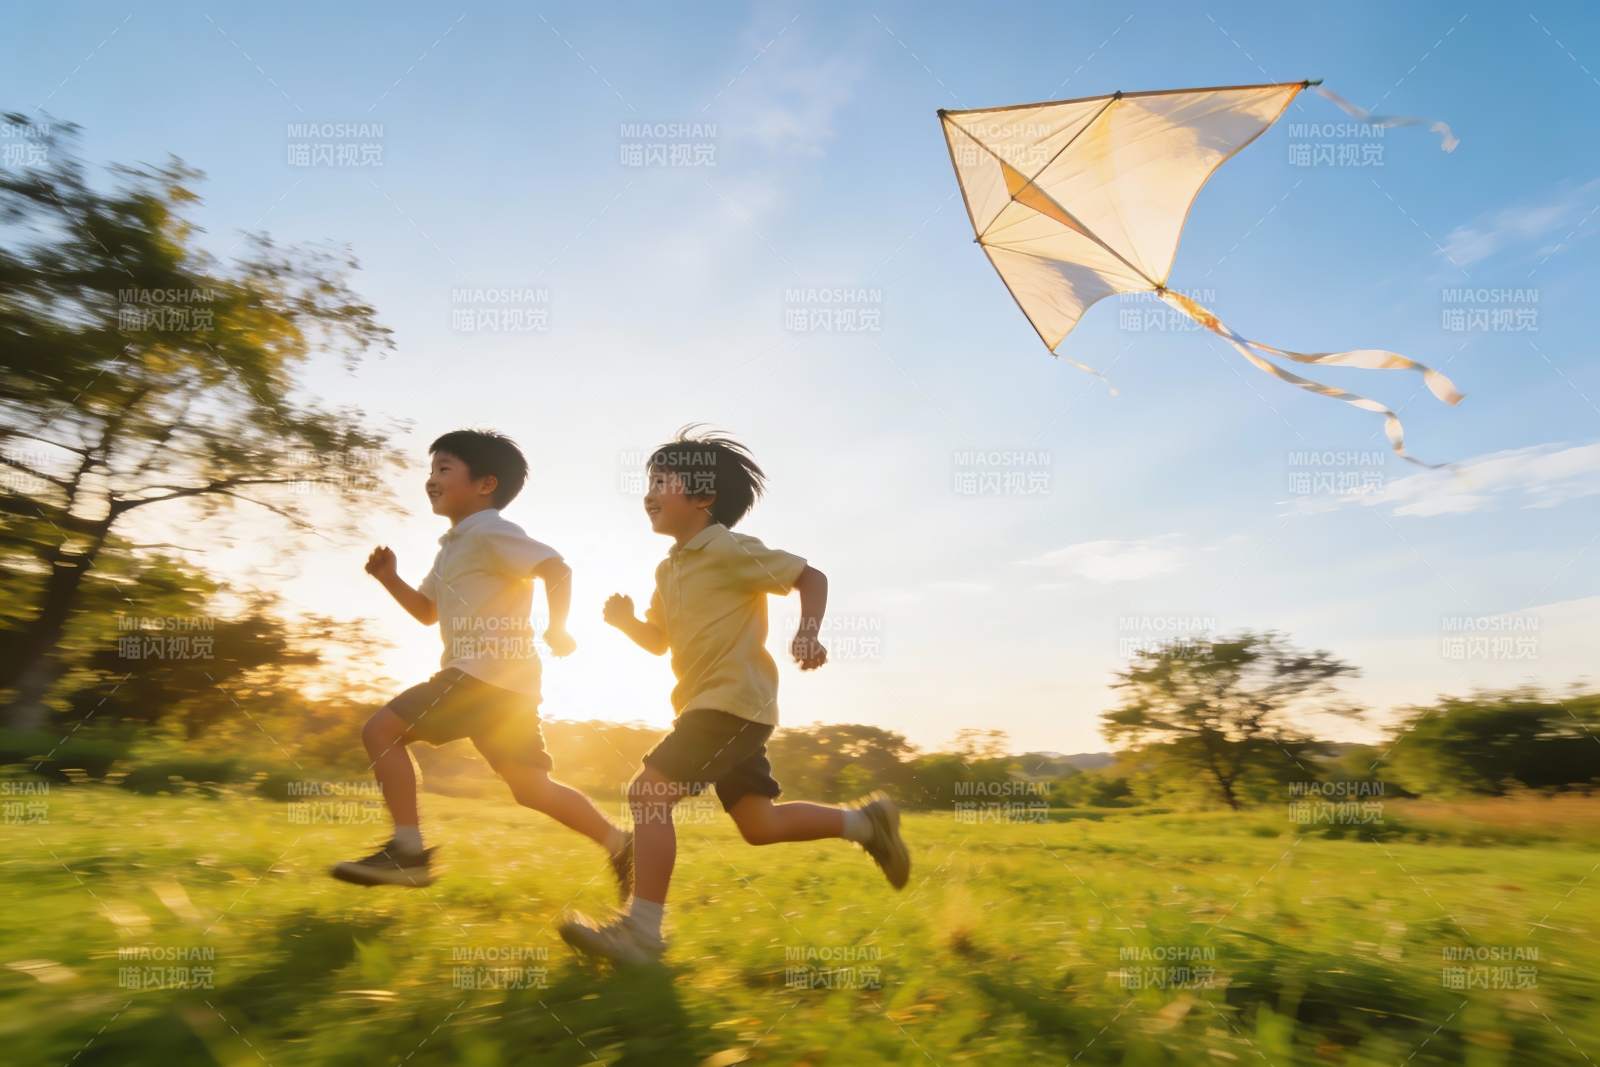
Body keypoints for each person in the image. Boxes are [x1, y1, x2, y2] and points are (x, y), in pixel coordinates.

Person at [559, 427, 909, 965]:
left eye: (662, 481)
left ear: (702, 497)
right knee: (758, 825)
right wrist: (628, 623)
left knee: (648, 794)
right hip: (720, 709)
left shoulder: (727, 548)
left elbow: (809, 576)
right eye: (647, 480)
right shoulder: (668, 567)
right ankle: (866, 824)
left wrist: (808, 631)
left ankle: (642, 934)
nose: (649, 492)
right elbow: (659, 642)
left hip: (731, 705)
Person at [331, 429, 632, 896]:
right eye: (430, 471)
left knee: (381, 730)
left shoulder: (491, 531)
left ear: (485, 484)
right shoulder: (452, 545)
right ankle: (621, 844)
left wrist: (559, 627)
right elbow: (428, 612)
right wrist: (390, 580)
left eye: (444, 469)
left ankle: (408, 851)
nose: (431, 480)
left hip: (480, 676)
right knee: (530, 786)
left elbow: (556, 568)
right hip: (504, 685)